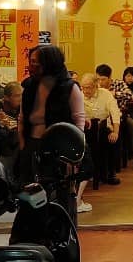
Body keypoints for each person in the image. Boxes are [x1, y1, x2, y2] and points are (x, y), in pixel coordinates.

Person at [17, 44, 86, 218]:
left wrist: (74, 155)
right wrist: (24, 145)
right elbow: (22, 118)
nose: (31, 67)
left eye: (36, 63)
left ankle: (61, 231)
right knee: (30, 192)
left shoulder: (69, 87)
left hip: (59, 149)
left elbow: (78, 121)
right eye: (30, 62)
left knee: (59, 194)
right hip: (33, 144)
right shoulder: (29, 86)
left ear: (49, 64)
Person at [80, 72, 122, 211]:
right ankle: (88, 173)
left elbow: (115, 112)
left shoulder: (105, 94)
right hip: (85, 129)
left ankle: (110, 173)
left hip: (103, 127)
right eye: (83, 87)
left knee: (112, 140)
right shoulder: (79, 96)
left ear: (96, 86)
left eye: (89, 87)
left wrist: (115, 131)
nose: (86, 91)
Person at [96, 63, 133, 169]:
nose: (100, 82)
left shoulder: (118, 84)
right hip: (103, 116)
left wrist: (115, 94)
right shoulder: (97, 87)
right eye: (98, 79)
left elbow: (130, 96)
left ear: (109, 78)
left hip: (121, 115)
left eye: (103, 79)